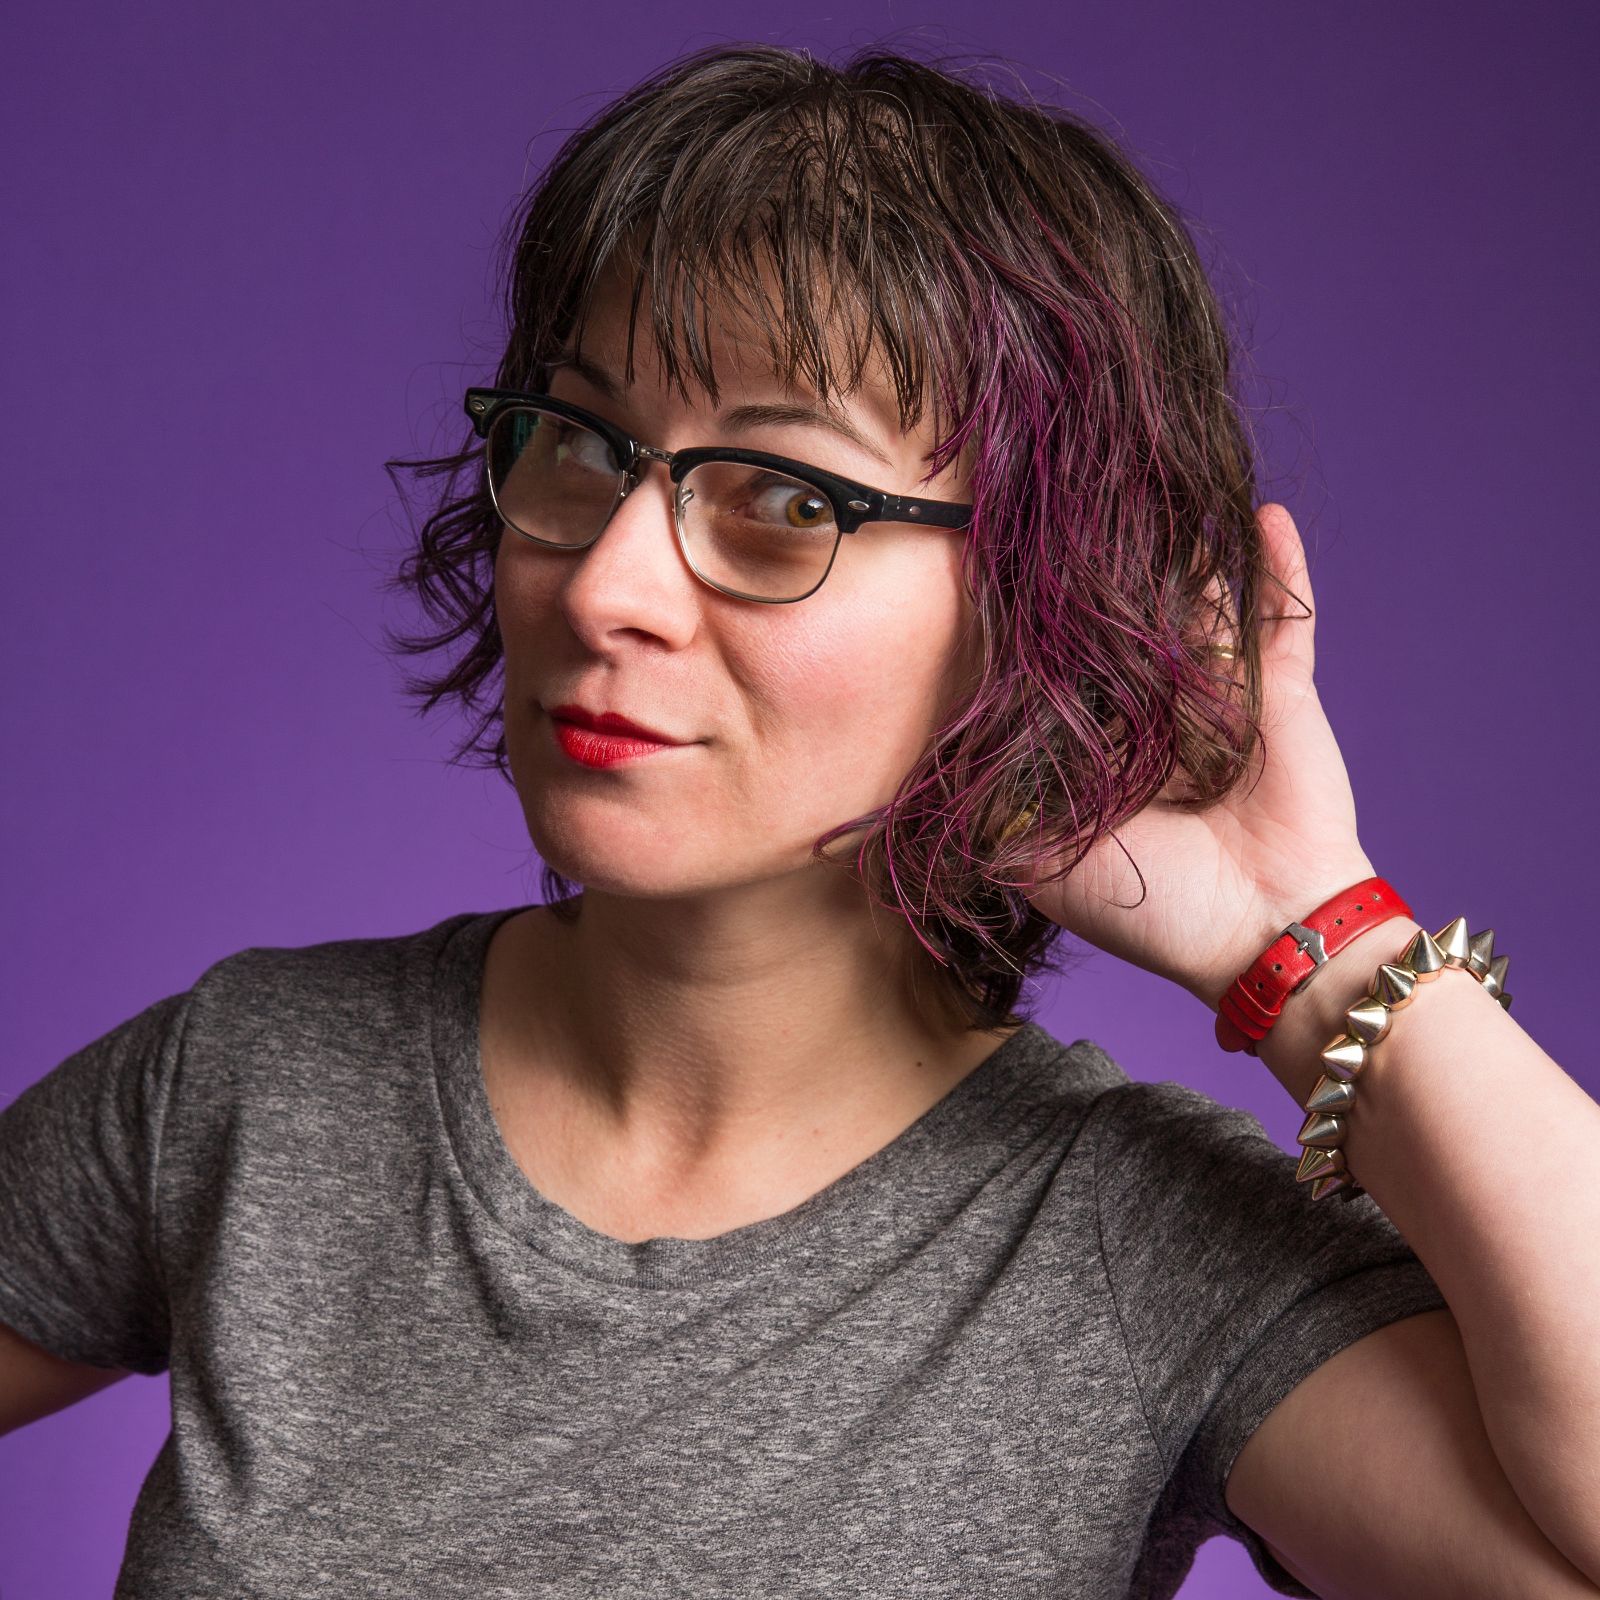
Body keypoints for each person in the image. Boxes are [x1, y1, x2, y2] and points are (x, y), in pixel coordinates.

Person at [3, 41, 1597, 1600]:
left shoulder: (1132, 1244)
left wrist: (1308, 938)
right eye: (578, 443)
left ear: (1038, 598)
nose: (607, 583)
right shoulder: (258, 1084)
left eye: (784, 498)